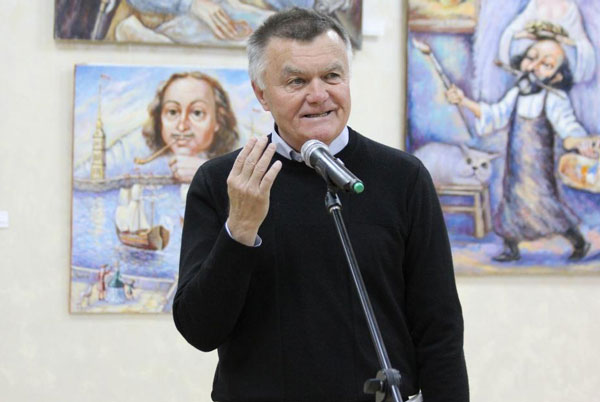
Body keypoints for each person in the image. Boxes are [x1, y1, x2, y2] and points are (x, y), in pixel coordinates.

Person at [174, 8, 468, 402]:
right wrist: (240, 229)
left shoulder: (404, 177)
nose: (318, 95)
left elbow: (440, 328)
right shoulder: (223, 182)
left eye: (331, 76)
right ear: (262, 94)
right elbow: (200, 330)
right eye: (296, 81)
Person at [446, 23, 597, 262]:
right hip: (516, 169)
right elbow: (494, 114)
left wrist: (581, 143)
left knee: (546, 204)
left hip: (539, 172)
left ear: (557, 76)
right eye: (531, 57)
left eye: (546, 64)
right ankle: (511, 247)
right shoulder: (516, 93)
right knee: (513, 204)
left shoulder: (554, 99)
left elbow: (568, 128)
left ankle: (578, 241)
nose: (534, 67)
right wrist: (463, 101)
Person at [140, 71, 239, 183]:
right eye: (172, 112)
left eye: (197, 113)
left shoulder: (232, 169)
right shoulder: (146, 172)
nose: (182, 126)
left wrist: (208, 173)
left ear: (218, 120)